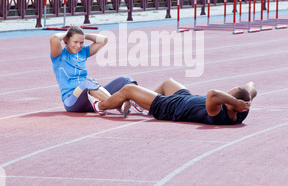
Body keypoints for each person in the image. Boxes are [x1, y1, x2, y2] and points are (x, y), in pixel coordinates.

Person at [50, 26, 141, 114]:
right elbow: (54, 38)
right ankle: (118, 105)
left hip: (90, 98)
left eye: (81, 42)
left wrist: (84, 35)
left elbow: (104, 40)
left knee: (125, 80)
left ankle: (141, 104)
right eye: (75, 42)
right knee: (88, 82)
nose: (78, 45)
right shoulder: (59, 55)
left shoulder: (82, 52)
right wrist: (68, 33)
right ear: (66, 40)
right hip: (72, 101)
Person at [94, 77, 257, 125]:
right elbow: (251, 86)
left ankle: (99, 105)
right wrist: (242, 100)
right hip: (186, 97)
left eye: (228, 97)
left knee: (128, 89)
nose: (225, 96)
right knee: (168, 82)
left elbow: (213, 94)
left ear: (235, 106)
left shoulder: (218, 114)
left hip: (170, 108)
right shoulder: (242, 109)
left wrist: (235, 102)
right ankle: (144, 106)